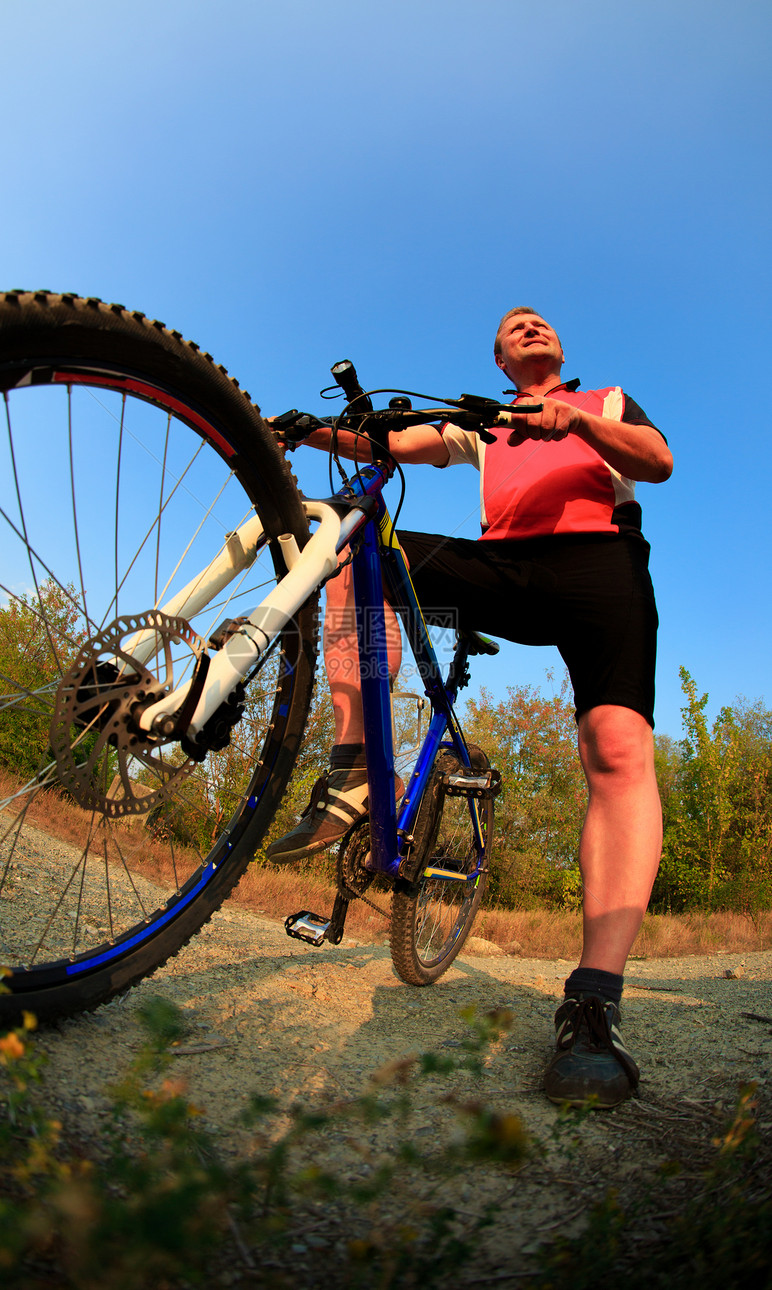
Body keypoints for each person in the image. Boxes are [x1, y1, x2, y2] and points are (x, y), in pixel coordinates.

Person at [267, 308, 673, 1108]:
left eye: (540, 322)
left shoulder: (609, 399)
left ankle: (593, 1003)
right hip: (503, 570)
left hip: (600, 568)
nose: (529, 327)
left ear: (559, 349)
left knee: (616, 750)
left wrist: (577, 422)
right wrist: (312, 430)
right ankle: (354, 762)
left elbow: (656, 463)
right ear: (498, 359)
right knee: (358, 541)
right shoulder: (483, 422)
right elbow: (393, 444)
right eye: (513, 326)